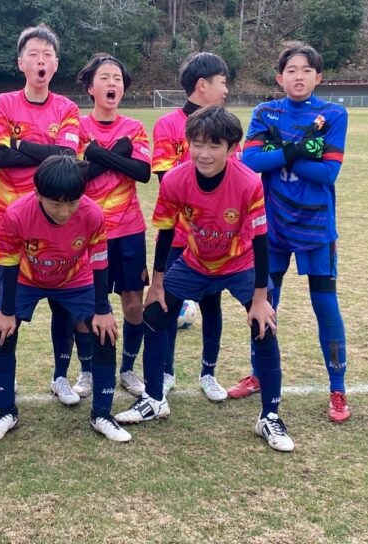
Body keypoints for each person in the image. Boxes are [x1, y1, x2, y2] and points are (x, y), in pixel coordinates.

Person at [114, 106, 295, 453]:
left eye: (214, 145)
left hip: (240, 262)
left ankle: (269, 416)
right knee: (154, 314)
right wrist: (157, 284)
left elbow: (260, 241)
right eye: (197, 144)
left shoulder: (248, 182)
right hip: (195, 261)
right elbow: (166, 233)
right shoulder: (175, 179)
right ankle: (154, 399)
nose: (204, 153)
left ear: (232, 148)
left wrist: (260, 299)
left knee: (265, 325)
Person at [240, 42, 351, 423]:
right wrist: (300, 151)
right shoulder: (265, 112)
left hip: (316, 227)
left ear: (318, 77)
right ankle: (259, 374)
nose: (298, 76)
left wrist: (280, 152)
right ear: (279, 77)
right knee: (264, 303)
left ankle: (337, 388)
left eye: (306, 70)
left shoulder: (333, 114)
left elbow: (328, 173)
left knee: (325, 306)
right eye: (291, 70)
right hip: (271, 228)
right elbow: (250, 162)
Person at [0, 155, 128, 443]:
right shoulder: (16, 215)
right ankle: (6, 412)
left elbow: (100, 261)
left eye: (72, 203)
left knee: (105, 333)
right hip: (26, 279)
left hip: (75, 279)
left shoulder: (93, 214)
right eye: (55, 204)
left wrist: (103, 309)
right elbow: (8, 264)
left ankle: (102, 414)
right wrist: (7, 310)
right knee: (2, 333)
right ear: (37, 193)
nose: (65, 212)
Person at [0, 24, 82, 406]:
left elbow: (68, 156)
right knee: (7, 304)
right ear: (20, 62)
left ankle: (61, 376)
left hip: (58, 221)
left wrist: (20, 142)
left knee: (63, 306)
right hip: (11, 222)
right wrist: (47, 151)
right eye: (33, 54)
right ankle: (4, 384)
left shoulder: (67, 108)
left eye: (47, 55)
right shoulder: (4, 103)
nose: (41, 61)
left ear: (56, 64)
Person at [142, 52, 234, 403]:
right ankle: (166, 373)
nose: (226, 90)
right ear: (202, 85)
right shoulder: (168, 125)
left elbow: (231, 180)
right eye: (222, 82)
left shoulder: (225, 125)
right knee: (168, 306)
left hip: (214, 239)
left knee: (212, 305)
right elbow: (168, 182)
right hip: (179, 237)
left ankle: (209, 373)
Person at [73, 53, 152, 400]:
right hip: (86, 230)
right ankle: (87, 370)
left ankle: (128, 369)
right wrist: (119, 153)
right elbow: (78, 176)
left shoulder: (134, 128)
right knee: (86, 304)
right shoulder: (76, 127)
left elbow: (142, 172)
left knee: (133, 304)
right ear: (91, 88)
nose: (111, 83)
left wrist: (97, 153)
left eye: (117, 78)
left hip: (128, 229)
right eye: (104, 78)